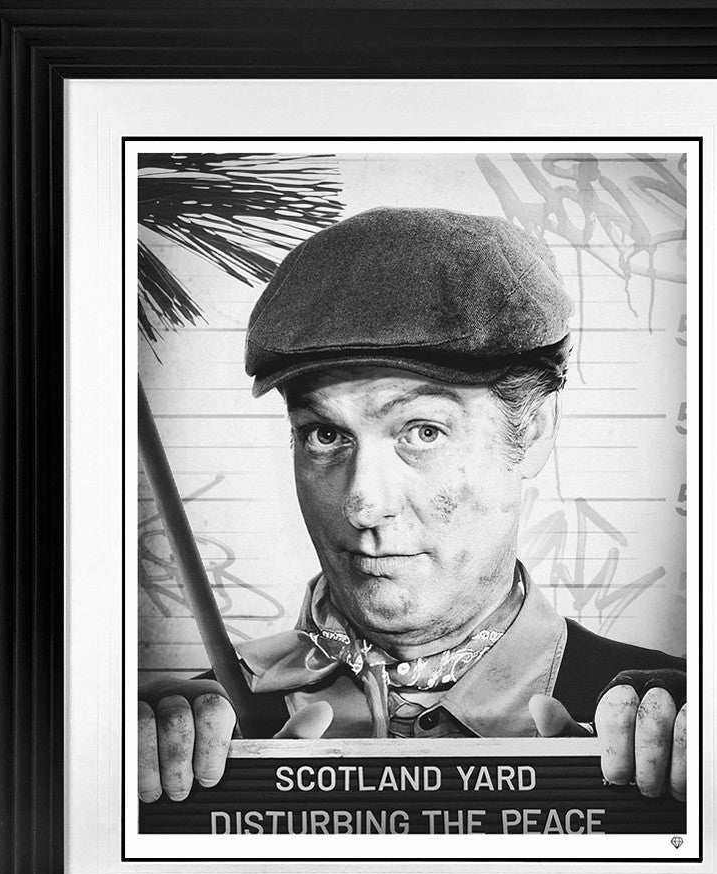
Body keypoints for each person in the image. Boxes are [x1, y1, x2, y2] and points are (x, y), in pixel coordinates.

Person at [138, 207, 686, 807]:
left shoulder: (683, 726)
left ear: (532, 430)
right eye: (325, 434)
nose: (364, 505)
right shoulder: (195, 740)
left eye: (423, 431)